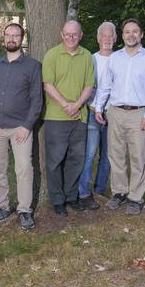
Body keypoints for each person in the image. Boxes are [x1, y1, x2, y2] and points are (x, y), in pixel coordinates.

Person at [94, 18, 145, 215]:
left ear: (141, 34)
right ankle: (119, 192)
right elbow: (106, 85)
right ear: (122, 36)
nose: (131, 35)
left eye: (135, 31)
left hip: (139, 113)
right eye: (127, 32)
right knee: (115, 155)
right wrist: (99, 107)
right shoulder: (115, 58)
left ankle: (135, 197)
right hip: (115, 112)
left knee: (138, 156)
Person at [0, 23, 43, 229]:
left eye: (16, 35)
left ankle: (25, 210)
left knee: (23, 169)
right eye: (8, 35)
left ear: (22, 38)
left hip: (20, 128)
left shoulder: (33, 66)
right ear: (3, 38)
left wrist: (27, 126)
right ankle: (1, 207)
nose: (11, 38)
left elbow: (37, 100)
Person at [42, 20, 95, 216]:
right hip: (56, 117)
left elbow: (89, 85)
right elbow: (48, 85)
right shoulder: (52, 55)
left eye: (75, 34)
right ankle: (57, 200)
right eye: (67, 34)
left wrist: (77, 105)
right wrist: (66, 105)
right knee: (55, 160)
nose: (71, 38)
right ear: (61, 35)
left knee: (76, 159)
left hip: (79, 117)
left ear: (80, 35)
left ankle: (71, 196)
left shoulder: (87, 56)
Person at [78, 22, 116, 210]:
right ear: (98, 38)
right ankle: (83, 191)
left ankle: (100, 189)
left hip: (113, 114)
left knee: (108, 155)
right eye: (104, 36)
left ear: (115, 39)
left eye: (111, 36)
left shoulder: (119, 58)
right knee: (90, 153)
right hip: (93, 113)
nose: (107, 39)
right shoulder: (90, 59)